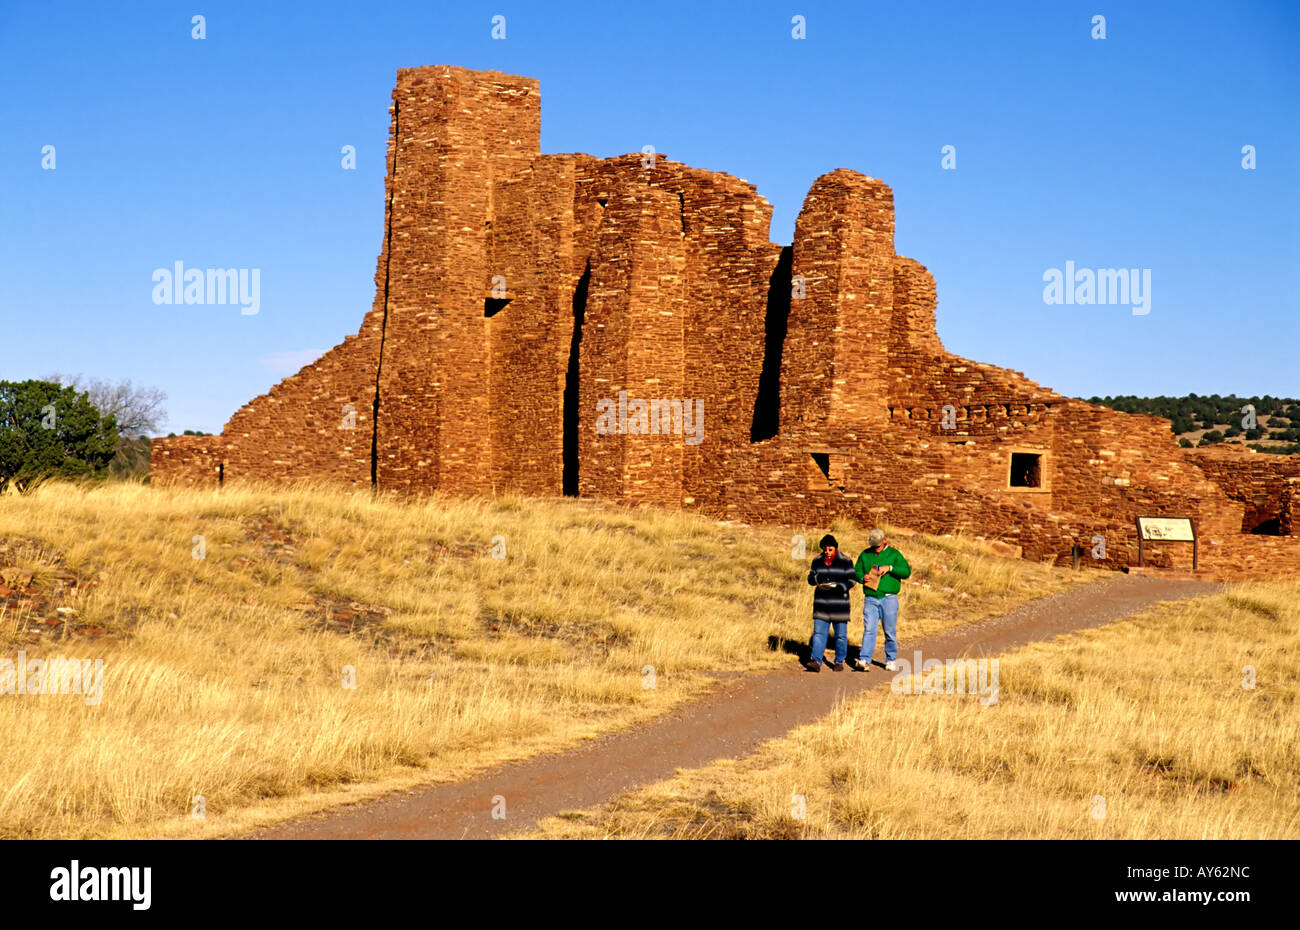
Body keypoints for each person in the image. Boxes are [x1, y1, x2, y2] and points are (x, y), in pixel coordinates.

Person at [853, 528, 911, 672]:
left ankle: (891, 659)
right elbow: (857, 571)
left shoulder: (894, 554)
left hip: (889, 599)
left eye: (877, 546)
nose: (875, 548)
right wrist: (862, 578)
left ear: (885, 540)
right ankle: (864, 659)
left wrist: (890, 568)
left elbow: (906, 572)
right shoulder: (865, 554)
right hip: (871, 598)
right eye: (873, 545)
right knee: (869, 629)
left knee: (889, 631)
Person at [803, 534, 857, 672]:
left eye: (830, 549)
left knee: (840, 635)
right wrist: (816, 579)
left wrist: (840, 587)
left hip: (840, 605)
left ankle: (839, 661)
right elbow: (810, 578)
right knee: (819, 634)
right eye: (825, 549)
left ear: (835, 548)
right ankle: (816, 661)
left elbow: (852, 580)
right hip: (821, 603)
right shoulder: (817, 561)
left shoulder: (846, 561)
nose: (827, 552)